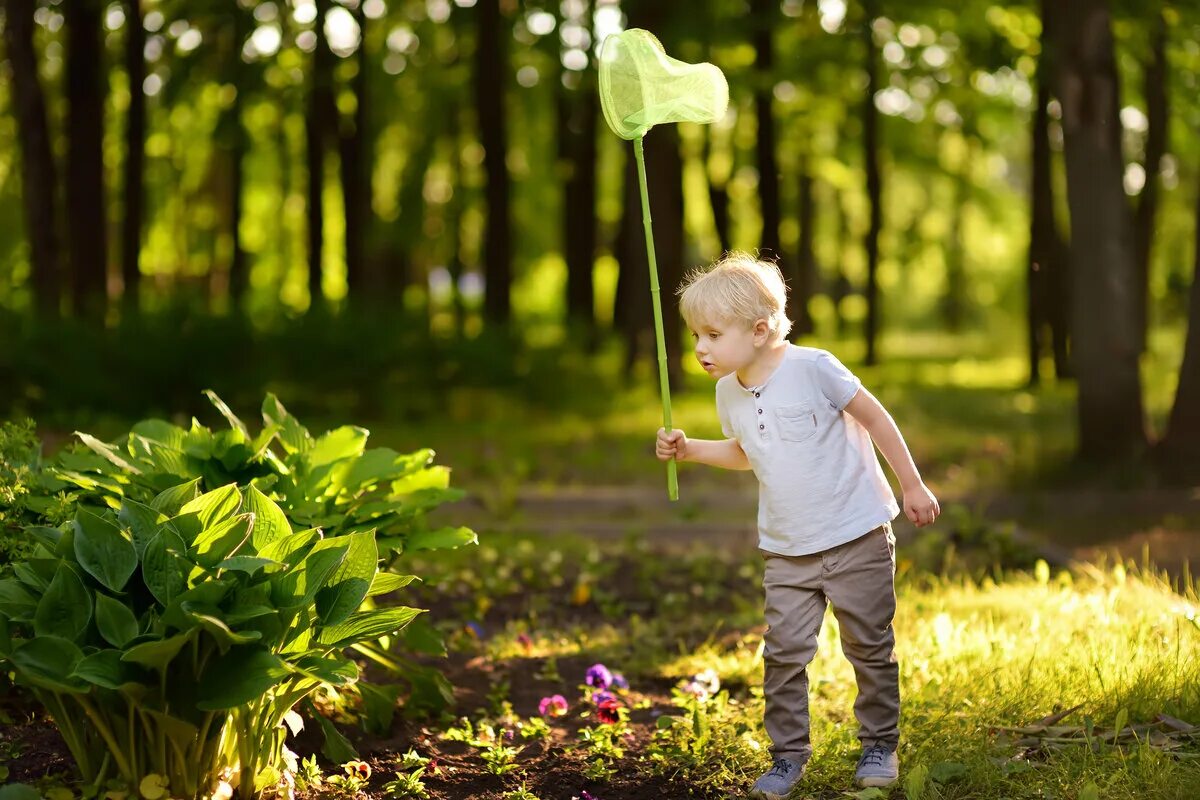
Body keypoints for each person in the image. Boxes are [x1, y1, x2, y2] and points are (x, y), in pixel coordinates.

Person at [654, 252, 940, 798]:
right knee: (783, 652)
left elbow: (875, 417)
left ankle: (879, 743)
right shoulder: (727, 392)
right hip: (787, 549)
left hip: (856, 534)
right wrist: (689, 449)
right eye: (696, 335)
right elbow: (747, 452)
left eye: (713, 334)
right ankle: (788, 755)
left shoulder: (814, 368)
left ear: (759, 330)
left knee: (867, 644)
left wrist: (912, 484)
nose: (700, 348)